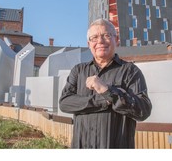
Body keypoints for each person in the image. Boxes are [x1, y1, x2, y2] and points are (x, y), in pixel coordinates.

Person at [59, 19, 152, 148]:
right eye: (94, 38)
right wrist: (104, 100)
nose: (100, 41)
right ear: (89, 44)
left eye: (106, 35)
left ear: (116, 40)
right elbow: (65, 103)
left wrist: (107, 91)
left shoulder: (130, 71)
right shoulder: (78, 71)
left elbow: (143, 111)